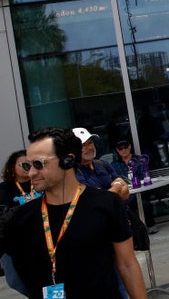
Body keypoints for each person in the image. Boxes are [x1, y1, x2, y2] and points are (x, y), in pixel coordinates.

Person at [0, 127, 146, 298]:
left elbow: (127, 265)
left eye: (39, 164)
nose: (31, 173)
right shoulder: (20, 218)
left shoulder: (106, 204)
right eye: (27, 165)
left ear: (67, 161)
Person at [0, 150, 36, 296]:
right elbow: (3, 215)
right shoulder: (5, 188)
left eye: (32, 164)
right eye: (24, 164)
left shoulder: (39, 182)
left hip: (37, 238)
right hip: (13, 242)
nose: (29, 168)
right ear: (12, 167)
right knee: (16, 282)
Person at [111, 140, 158, 234]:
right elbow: (116, 179)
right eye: (120, 148)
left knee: (144, 203)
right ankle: (137, 229)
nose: (123, 150)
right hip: (127, 193)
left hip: (141, 191)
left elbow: (143, 176)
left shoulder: (139, 160)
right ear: (117, 150)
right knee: (125, 206)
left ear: (129, 147)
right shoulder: (114, 165)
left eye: (125, 147)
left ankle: (150, 225)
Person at [72, 127, 130, 201]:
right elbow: (99, 200)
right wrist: (117, 186)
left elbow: (126, 193)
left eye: (90, 142)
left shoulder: (103, 164)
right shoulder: (75, 173)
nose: (89, 147)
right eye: (83, 145)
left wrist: (106, 194)